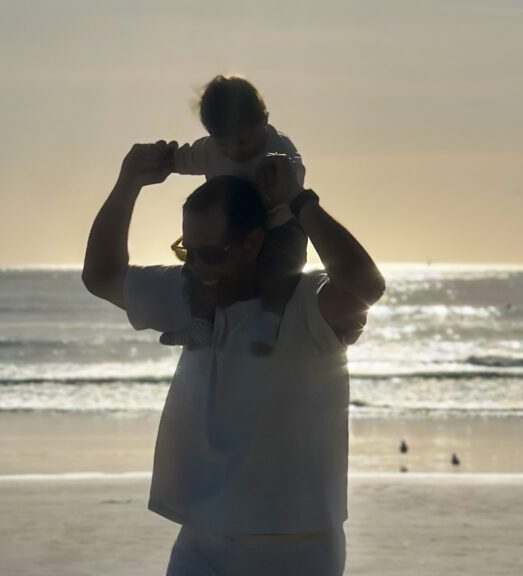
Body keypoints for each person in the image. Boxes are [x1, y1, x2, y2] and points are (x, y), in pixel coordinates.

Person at [82, 142, 385, 575]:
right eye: (188, 251)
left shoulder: (305, 305)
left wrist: (301, 202)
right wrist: (128, 182)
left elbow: (365, 285)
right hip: (202, 538)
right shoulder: (188, 295)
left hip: (296, 545)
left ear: (253, 242)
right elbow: (101, 275)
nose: (199, 266)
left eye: (213, 253)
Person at [159, 75, 308, 356]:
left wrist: (278, 179)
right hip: (229, 230)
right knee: (195, 270)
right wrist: (164, 158)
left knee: (281, 268)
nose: (233, 151)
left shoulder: (279, 151)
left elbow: (294, 179)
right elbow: (184, 159)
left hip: (278, 226)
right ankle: (201, 321)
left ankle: (270, 319)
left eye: (242, 142)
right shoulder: (211, 151)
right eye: (224, 143)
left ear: (263, 119)